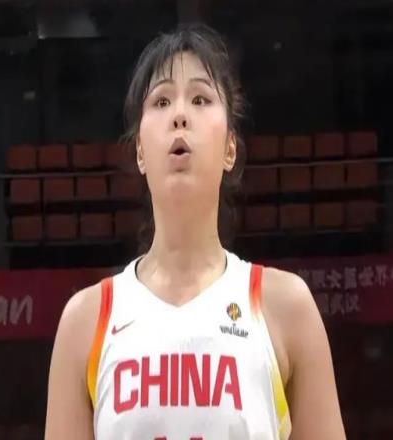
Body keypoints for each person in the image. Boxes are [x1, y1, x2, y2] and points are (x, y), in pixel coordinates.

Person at [45, 23, 346, 440]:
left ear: (230, 148)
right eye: (161, 100)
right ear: (140, 151)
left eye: (201, 98)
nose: (180, 115)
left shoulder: (285, 308)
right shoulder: (85, 321)